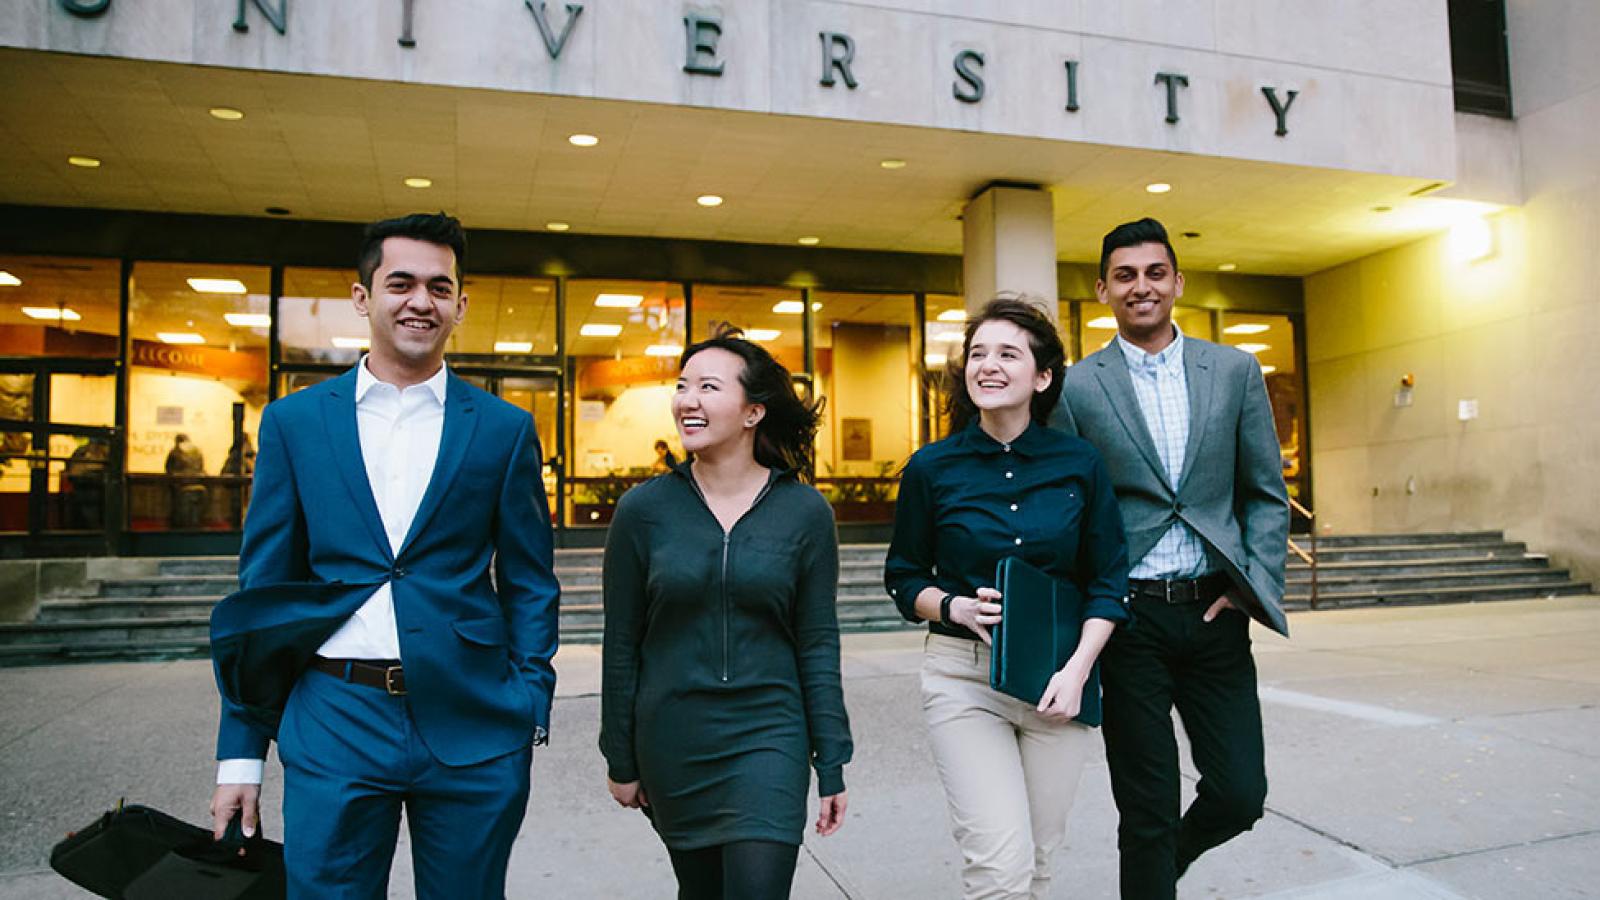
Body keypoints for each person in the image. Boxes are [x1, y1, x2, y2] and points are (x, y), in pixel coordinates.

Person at [207, 212, 560, 899]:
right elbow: (262, 596)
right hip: (336, 715)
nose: (420, 301)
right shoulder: (294, 423)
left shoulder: (504, 430)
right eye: (401, 283)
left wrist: (529, 702)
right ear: (363, 297)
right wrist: (240, 754)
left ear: (461, 304)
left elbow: (529, 581)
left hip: (473, 723)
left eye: (439, 286)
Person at [1050, 218, 1289, 899]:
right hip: (1131, 624)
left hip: (1215, 613)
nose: (1141, 287)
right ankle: (1153, 871)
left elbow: (1266, 494)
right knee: (1146, 808)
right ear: (1103, 290)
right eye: (1125, 276)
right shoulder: (1076, 388)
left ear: (1177, 282)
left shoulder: (1236, 371)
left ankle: (1161, 867)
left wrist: (1253, 587)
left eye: (1155, 272)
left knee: (1241, 793)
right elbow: (1071, 507)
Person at [884, 297, 1130, 899]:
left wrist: (1077, 674)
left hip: (1059, 681)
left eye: (1007, 354)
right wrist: (953, 607)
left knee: (1038, 862)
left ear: (1042, 377)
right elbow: (904, 575)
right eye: (977, 353)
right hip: (964, 681)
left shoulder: (1079, 462)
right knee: (998, 867)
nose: (987, 366)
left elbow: (1108, 581)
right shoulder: (931, 468)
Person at [600, 327, 852, 900]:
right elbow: (621, 642)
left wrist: (832, 758)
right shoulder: (643, 511)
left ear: (752, 412)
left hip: (770, 733)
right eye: (683, 386)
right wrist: (620, 755)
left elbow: (817, 640)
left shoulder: (804, 511)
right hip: (674, 738)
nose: (688, 399)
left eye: (708, 387)